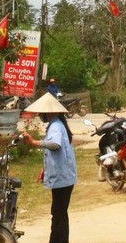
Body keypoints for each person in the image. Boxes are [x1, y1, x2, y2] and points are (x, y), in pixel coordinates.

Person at [23, 92, 78, 243]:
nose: (41, 115)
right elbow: (55, 152)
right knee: (59, 213)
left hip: (63, 177)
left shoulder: (56, 126)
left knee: (59, 214)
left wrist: (34, 142)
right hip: (63, 176)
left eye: (43, 113)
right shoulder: (56, 125)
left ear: (51, 112)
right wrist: (45, 168)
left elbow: (55, 144)